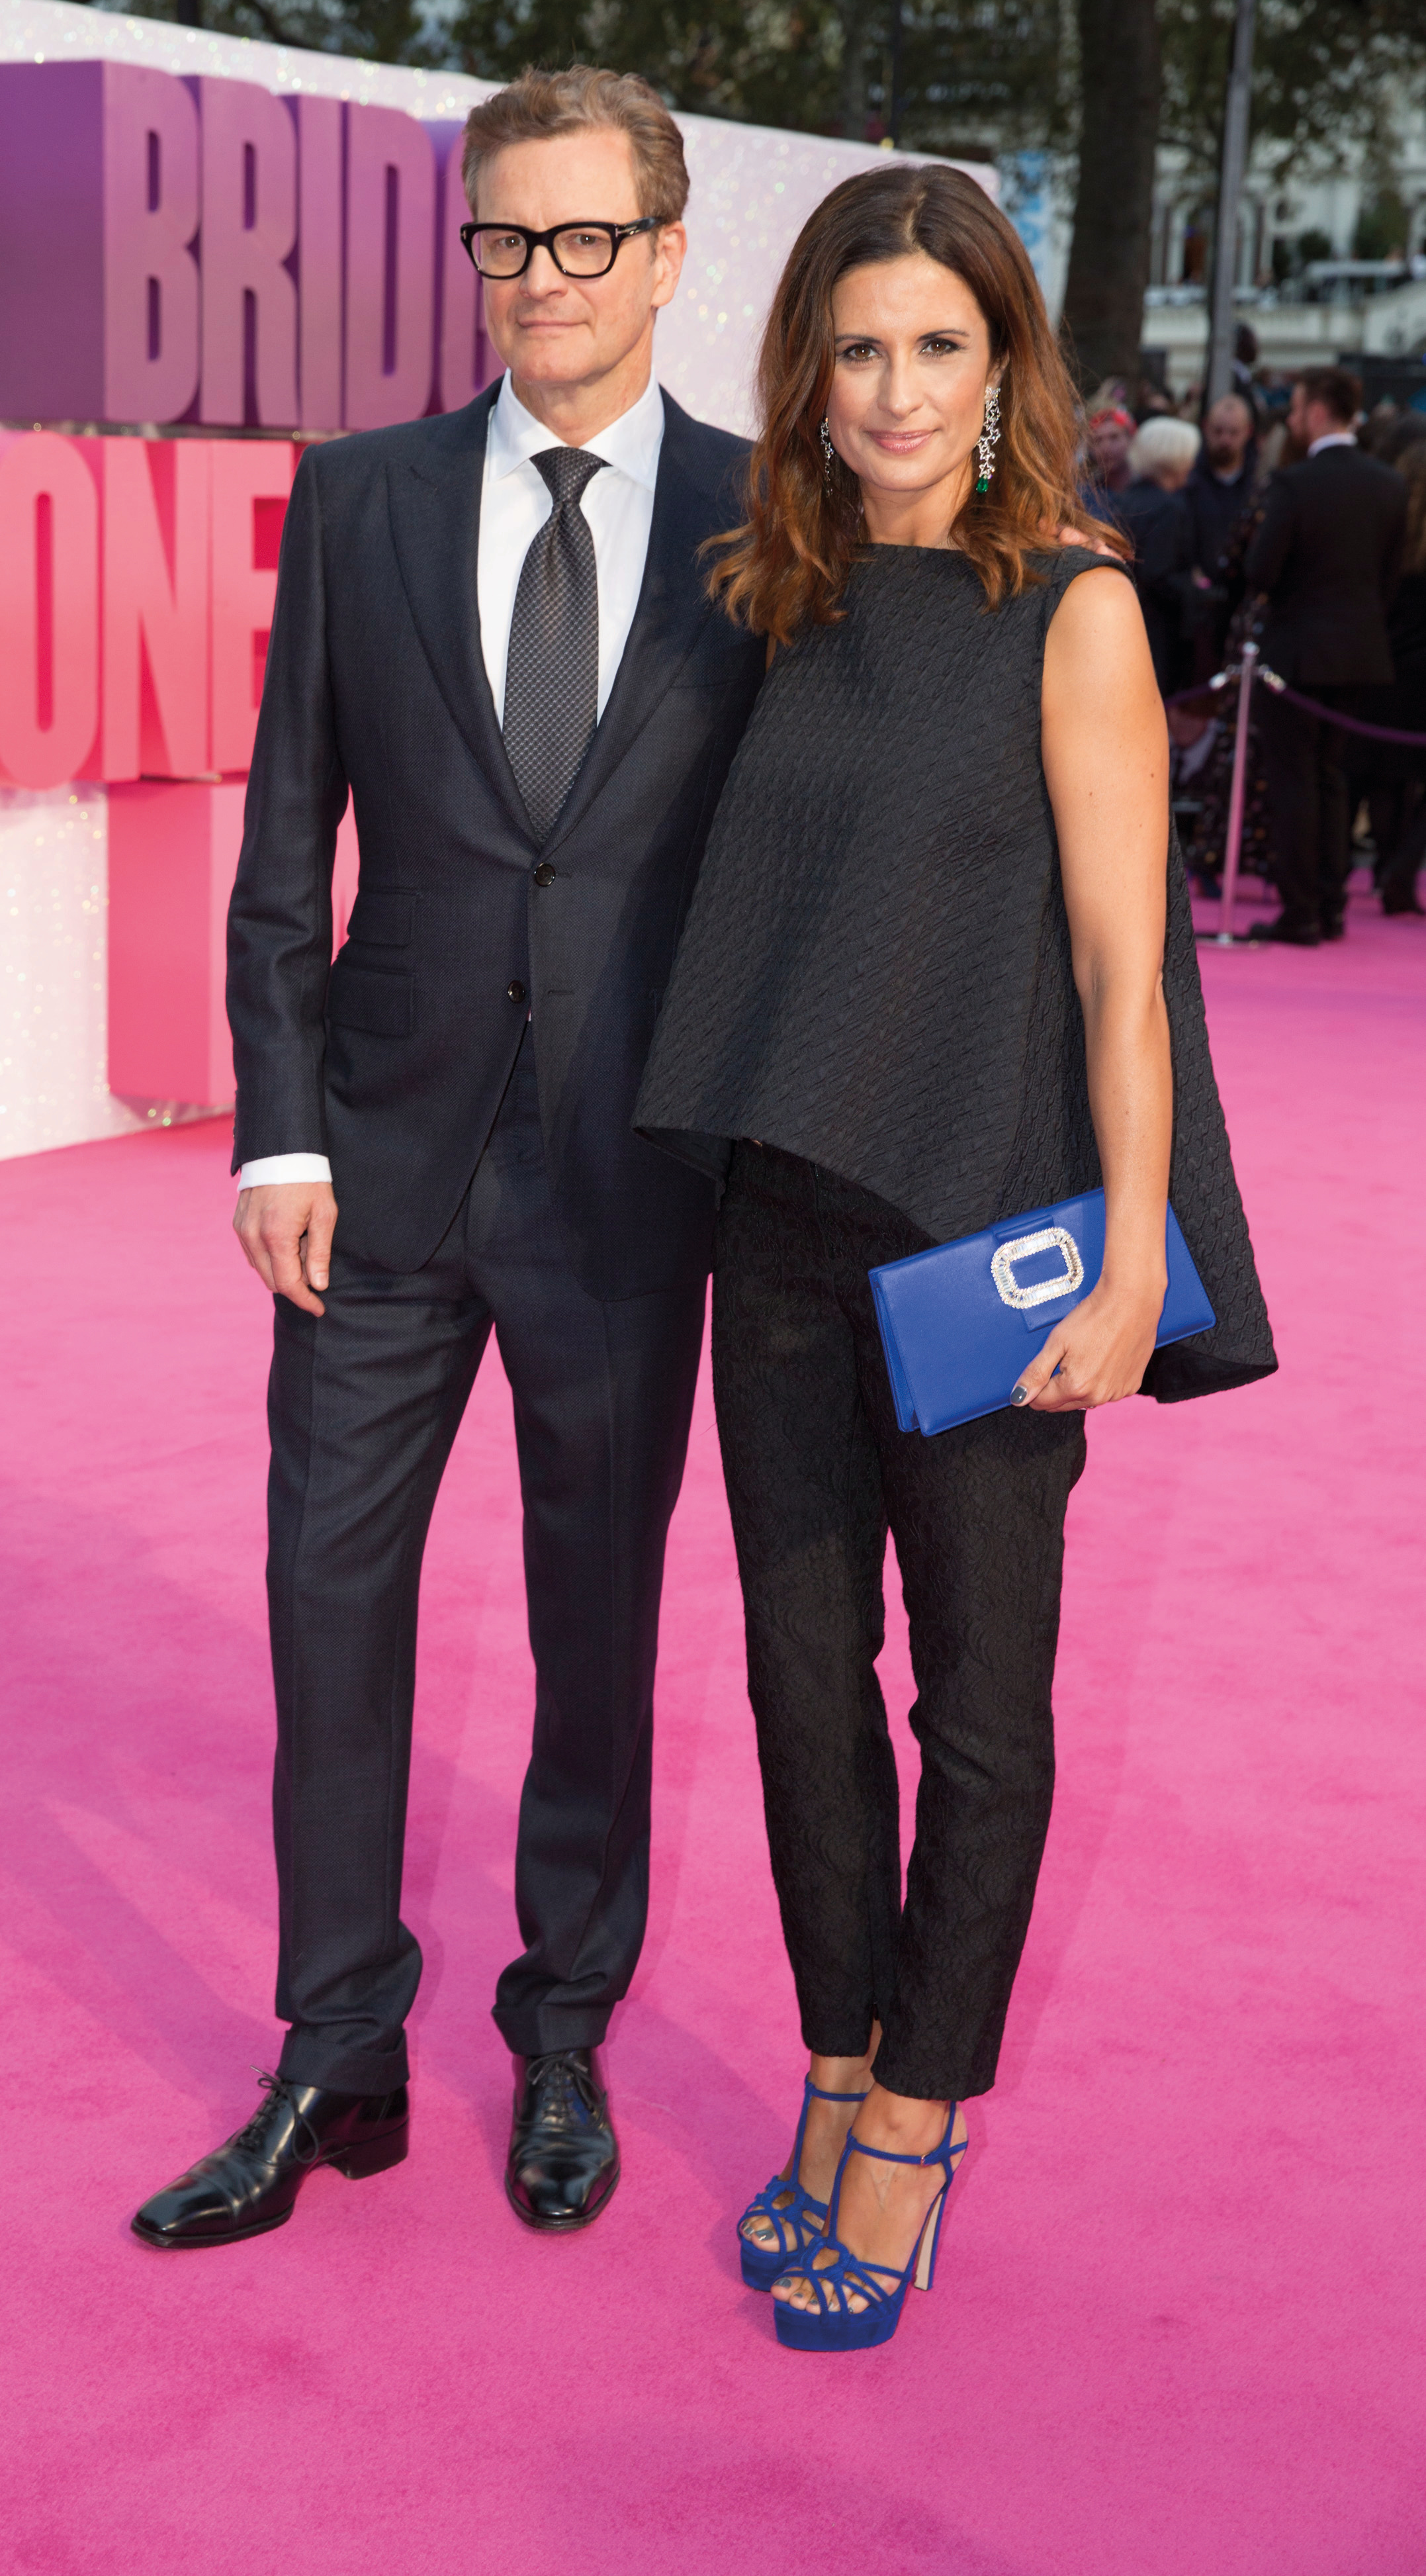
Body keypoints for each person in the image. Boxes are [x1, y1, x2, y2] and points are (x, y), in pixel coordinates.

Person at [636, 161, 1275, 2352]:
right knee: (795, 1682)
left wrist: (1129, 1257)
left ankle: (913, 2120)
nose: (896, 390)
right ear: (807, 372)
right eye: (858, 348)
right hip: (778, 1223)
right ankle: (835, 2063)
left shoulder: (1070, 605)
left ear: (1002, 363)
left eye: (936, 345)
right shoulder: (779, 594)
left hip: (984, 1239)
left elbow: (1121, 968)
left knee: (976, 1708)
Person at [131, 66, 764, 2251]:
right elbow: (280, 843)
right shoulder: (362, 495)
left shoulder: (759, 517)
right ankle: (336, 2050)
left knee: (595, 1620)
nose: (540, 277)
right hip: (375, 1171)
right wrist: (272, 1134)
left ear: (663, 253)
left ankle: (561, 2032)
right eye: (506, 235)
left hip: (631, 1173)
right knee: (328, 1606)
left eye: (584, 236)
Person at [1244, 365, 1407, 944]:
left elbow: (1261, 571)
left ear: (1316, 412)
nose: (1290, 420)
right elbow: (1388, 578)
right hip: (1359, 653)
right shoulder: (1389, 485)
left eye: (1294, 409)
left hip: (1295, 654)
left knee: (1294, 780)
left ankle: (1301, 911)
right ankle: (1330, 904)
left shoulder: (1294, 484)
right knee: (1332, 778)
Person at [1345, 438, 1426, 916]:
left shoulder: (1383, 530)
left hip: (1382, 665)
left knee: (1370, 773)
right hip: (1414, 673)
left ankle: (1339, 877)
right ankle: (1399, 869)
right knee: (1406, 779)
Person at [1117, 415, 1201, 695]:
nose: (1193, 463)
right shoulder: (1168, 508)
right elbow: (1156, 573)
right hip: (1156, 631)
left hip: (1127, 622)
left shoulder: (1130, 498)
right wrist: (1196, 590)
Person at [1185, 392, 1259, 676]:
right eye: (1218, 432)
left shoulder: (1259, 482)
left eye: (1233, 432)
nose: (1225, 440)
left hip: (1241, 605)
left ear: (1247, 432)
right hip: (1198, 611)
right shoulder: (1189, 480)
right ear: (1206, 428)